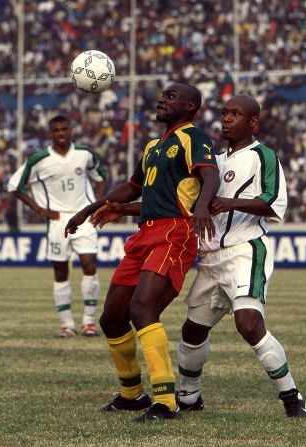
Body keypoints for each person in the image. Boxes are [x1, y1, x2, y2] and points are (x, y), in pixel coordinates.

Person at [93, 95, 306, 417]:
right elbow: (177, 205)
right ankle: (190, 397)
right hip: (209, 255)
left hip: (245, 250)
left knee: (248, 324)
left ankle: (291, 396)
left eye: (236, 114)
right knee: (193, 330)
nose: (227, 119)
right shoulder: (212, 161)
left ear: (253, 122)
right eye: (224, 113)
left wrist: (229, 203)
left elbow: (273, 203)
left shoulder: (262, 156)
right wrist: (123, 209)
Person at [65, 82, 220, 422]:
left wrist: (204, 206)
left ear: (190, 107)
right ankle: (132, 394)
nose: (161, 99)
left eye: (171, 96)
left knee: (143, 308)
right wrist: (89, 208)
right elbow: (133, 188)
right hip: (145, 234)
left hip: (175, 233)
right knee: (112, 317)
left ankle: (165, 401)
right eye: (161, 94)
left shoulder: (193, 137)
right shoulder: (153, 146)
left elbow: (210, 176)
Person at [8, 115, 107, 337]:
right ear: (49, 133)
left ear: (71, 130)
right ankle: (66, 324)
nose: (61, 133)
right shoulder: (38, 159)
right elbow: (14, 186)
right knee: (60, 271)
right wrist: (40, 210)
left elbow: (101, 176)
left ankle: (89, 322)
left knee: (89, 265)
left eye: (65, 129)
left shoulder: (84, 153)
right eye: (56, 130)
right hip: (57, 221)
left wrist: (95, 205)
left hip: (84, 218)